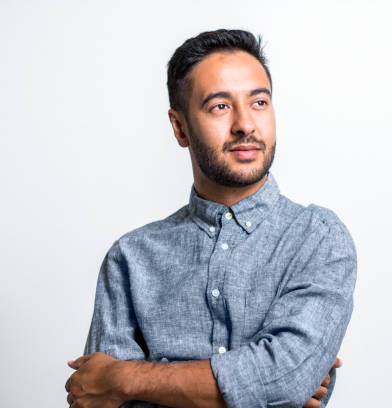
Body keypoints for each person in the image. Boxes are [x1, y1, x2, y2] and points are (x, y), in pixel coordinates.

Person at [64, 29, 357, 408]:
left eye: (259, 102)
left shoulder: (317, 238)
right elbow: (100, 399)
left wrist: (126, 378)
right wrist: (262, 387)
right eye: (220, 106)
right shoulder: (131, 258)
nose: (245, 125)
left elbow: (284, 375)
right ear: (180, 127)